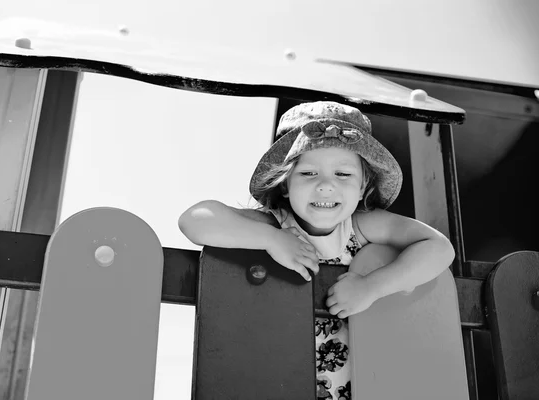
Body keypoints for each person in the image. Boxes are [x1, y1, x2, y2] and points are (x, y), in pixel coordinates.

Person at [178, 101, 455, 400]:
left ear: (363, 187)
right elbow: (194, 219)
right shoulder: (276, 225)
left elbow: (439, 247)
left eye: (343, 175)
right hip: (279, 380)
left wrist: (372, 287)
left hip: (362, 382)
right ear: (286, 184)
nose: (325, 186)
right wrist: (271, 239)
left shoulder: (360, 226)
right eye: (309, 173)